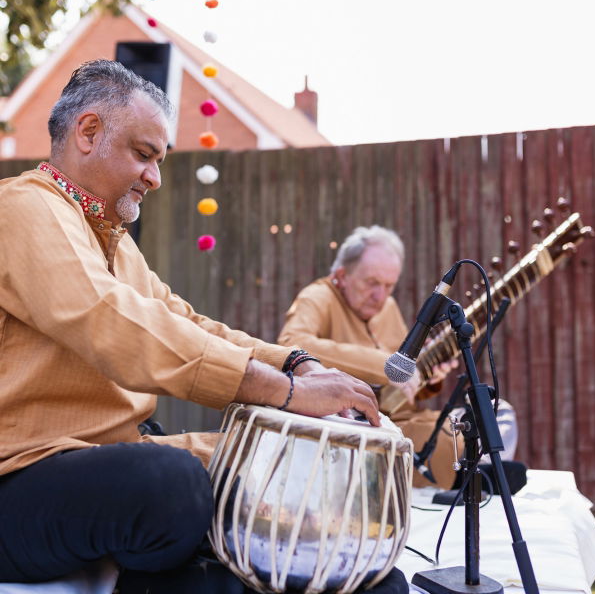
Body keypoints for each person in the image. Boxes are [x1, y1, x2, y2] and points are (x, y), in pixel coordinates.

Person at [0, 60, 391, 591]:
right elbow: (113, 321)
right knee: (173, 486)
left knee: (273, 472)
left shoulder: (113, 241)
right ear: (88, 132)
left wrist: (297, 363)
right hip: (20, 477)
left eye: (158, 161)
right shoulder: (20, 208)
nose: (155, 178)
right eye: (144, 155)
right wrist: (284, 392)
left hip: (111, 457)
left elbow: (186, 321)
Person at [278, 226, 518, 490]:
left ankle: (476, 473)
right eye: (372, 283)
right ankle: (475, 476)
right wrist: (381, 364)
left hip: (404, 419)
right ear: (342, 275)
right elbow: (292, 344)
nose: (380, 296)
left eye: (388, 286)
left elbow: (401, 384)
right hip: (356, 426)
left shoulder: (387, 308)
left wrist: (428, 378)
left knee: (496, 411)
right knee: (467, 438)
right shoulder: (318, 297)